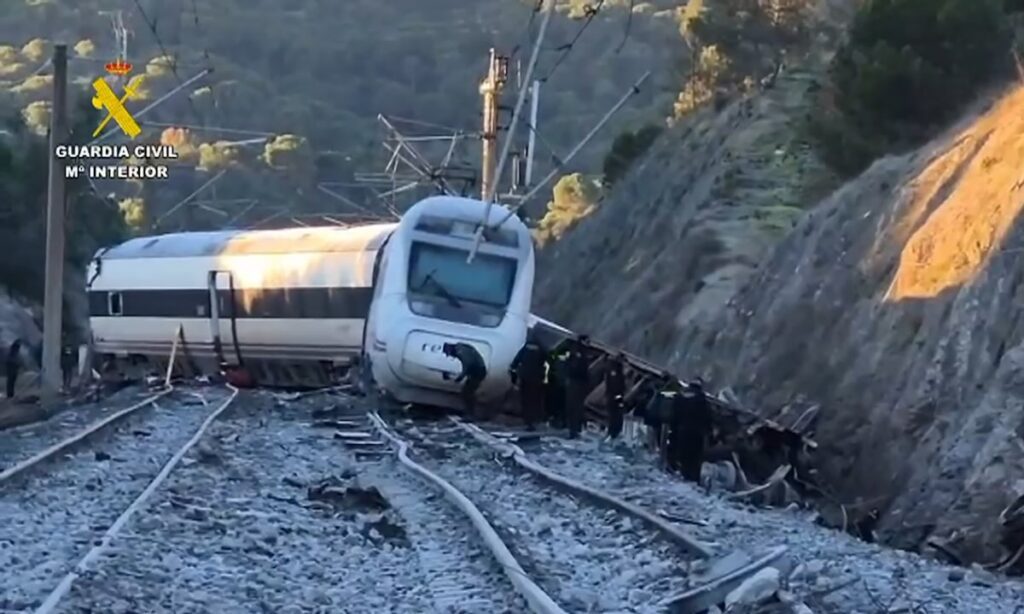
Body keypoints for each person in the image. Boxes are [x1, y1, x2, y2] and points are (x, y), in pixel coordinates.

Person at [670, 379, 714, 482]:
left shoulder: (679, 397)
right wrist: (709, 434)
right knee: (694, 462)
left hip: (681, 433)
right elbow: (707, 419)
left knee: (683, 459)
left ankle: (682, 477)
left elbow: (674, 417)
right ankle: (694, 481)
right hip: (696, 436)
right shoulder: (701, 399)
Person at [510, 333, 546, 430]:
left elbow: (517, 360)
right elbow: (545, 363)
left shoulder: (526, 347)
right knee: (534, 400)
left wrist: (513, 369)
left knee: (525, 399)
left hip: (525, 376)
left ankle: (527, 420)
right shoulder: (542, 349)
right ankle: (534, 420)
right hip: (536, 378)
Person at [443, 342, 487, 418]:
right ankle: (470, 412)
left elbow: (467, 364)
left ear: (449, 350)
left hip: (479, 371)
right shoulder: (460, 348)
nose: (451, 356)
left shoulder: (460, 351)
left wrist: (461, 377)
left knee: (467, 393)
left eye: (449, 354)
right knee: (467, 392)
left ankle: (471, 414)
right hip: (476, 371)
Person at [564, 336, 590, 438]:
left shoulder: (578, 351)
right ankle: (573, 429)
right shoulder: (579, 352)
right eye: (587, 341)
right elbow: (577, 367)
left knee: (575, 405)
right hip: (576, 381)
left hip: (576, 381)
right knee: (575, 406)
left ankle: (575, 428)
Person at [604, 352, 626, 439]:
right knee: (615, 415)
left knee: (615, 415)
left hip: (614, 395)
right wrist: (619, 397)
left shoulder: (615, 368)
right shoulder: (615, 369)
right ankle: (613, 433)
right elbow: (616, 384)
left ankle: (613, 432)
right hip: (614, 396)